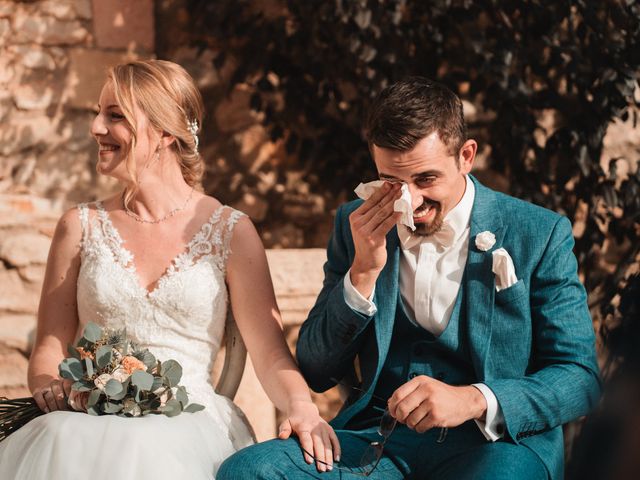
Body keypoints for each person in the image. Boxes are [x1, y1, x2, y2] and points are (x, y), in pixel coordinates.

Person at [218, 76, 601, 479]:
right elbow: (316, 370)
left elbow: (580, 377)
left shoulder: (537, 233)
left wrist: (474, 400)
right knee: (250, 470)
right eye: (393, 182)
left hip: (495, 448)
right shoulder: (355, 223)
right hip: (378, 442)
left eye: (426, 179)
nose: (411, 201)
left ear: (466, 156)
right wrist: (363, 271)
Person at [0, 59, 338, 479]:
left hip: (190, 422)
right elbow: (50, 346)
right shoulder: (78, 226)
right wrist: (51, 386)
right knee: (61, 440)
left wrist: (303, 409)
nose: (96, 128)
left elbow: (269, 354)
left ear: (163, 132)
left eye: (115, 115)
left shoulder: (231, 231)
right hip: (87, 421)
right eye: (97, 113)